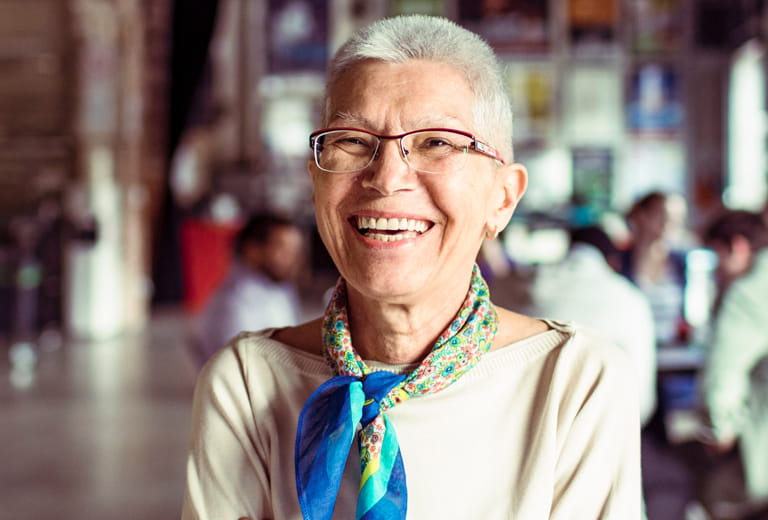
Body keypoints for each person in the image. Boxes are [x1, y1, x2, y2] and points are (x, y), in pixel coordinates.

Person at [182, 15, 642, 519]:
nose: (386, 178)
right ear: (315, 182)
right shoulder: (249, 382)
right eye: (353, 141)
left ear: (502, 198)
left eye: (436, 143)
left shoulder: (574, 382)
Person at [531, 225, 657, 426]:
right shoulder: (630, 298)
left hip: (534, 418)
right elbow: (642, 394)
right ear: (612, 261)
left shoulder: (529, 285)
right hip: (607, 422)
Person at [698, 209, 768, 503]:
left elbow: (724, 369)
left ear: (737, 247)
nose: (716, 270)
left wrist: (719, 429)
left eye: (717, 256)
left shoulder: (746, 293)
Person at [192, 212, 304, 364]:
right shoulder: (234, 300)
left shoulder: (281, 289)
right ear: (252, 250)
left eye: (295, 250)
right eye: (282, 248)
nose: (292, 258)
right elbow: (245, 365)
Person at [621, 191, 690, 346]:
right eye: (663, 214)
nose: (670, 223)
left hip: (673, 350)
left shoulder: (681, 263)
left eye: (678, 218)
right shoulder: (618, 261)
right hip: (631, 346)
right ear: (641, 216)